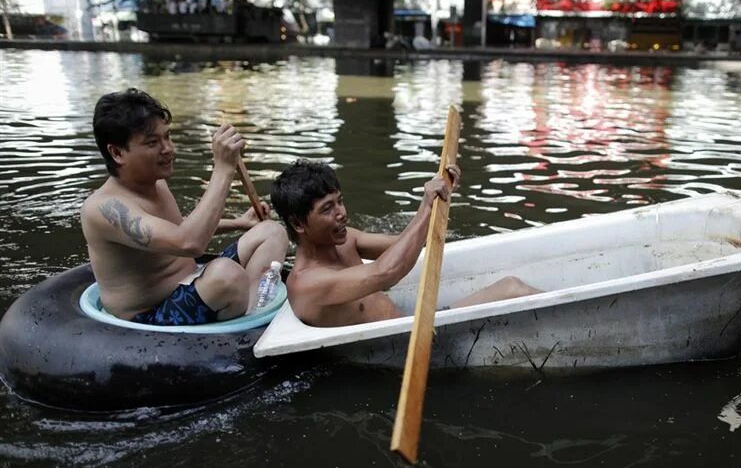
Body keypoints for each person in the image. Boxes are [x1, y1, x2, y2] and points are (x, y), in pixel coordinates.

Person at [81, 88, 289, 324]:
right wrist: (223, 169)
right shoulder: (104, 209)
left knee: (271, 231)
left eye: (167, 137)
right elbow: (189, 243)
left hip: (193, 281)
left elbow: (177, 229)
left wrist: (240, 223)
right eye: (152, 142)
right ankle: (245, 310)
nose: (168, 148)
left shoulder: (156, 182)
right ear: (117, 152)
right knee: (226, 275)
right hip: (152, 313)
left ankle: (251, 311)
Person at [271, 160, 539, 327]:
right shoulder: (307, 283)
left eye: (340, 201)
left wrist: (440, 200)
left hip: (414, 326)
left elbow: (409, 245)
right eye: (327, 208)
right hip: (405, 346)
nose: (341, 212)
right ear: (298, 224)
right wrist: (424, 207)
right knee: (514, 290)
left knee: (512, 285)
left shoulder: (346, 239)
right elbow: (386, 273)